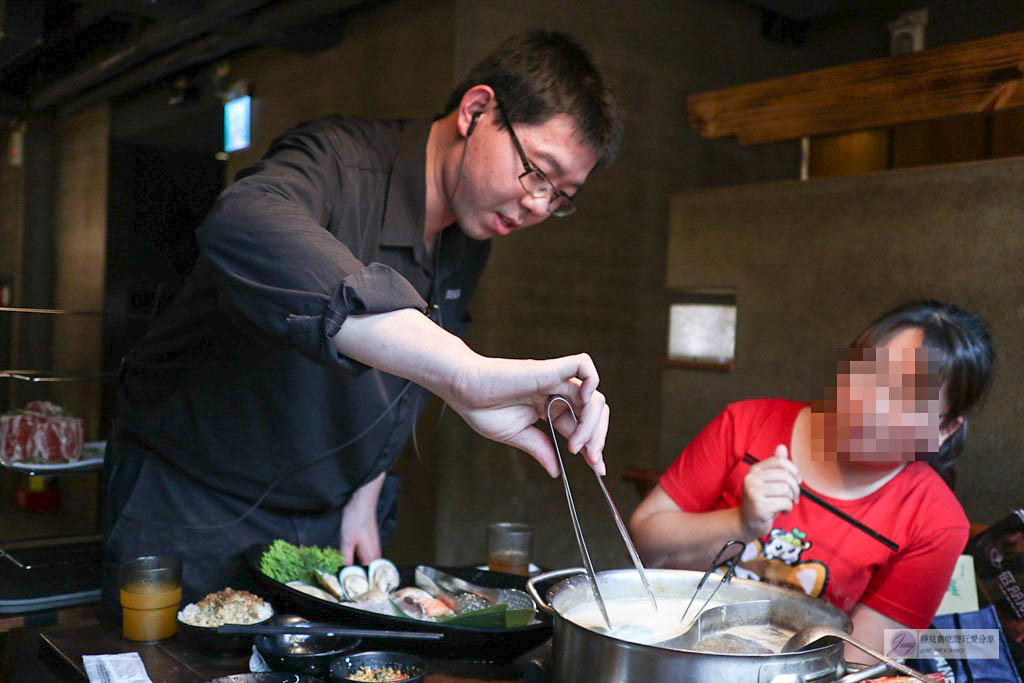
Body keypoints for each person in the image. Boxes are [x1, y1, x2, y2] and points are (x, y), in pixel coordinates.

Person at [101, 30, 622, 613]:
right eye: (538, 173)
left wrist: (366, 490)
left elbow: (400, 376)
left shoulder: (470, 235)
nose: (538, 206)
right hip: (193, 502)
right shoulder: (338, 159)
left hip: (328, 519)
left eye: (561, 197)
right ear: (477, 111)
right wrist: (464, 373)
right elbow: (244, 221)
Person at [629, 301, 994, 657]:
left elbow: (862, 655)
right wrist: (740, 522)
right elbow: (644, 540)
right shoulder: (746, 425)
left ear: (944, 429)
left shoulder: (937, 522)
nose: (872, 405)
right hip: (671, 647)